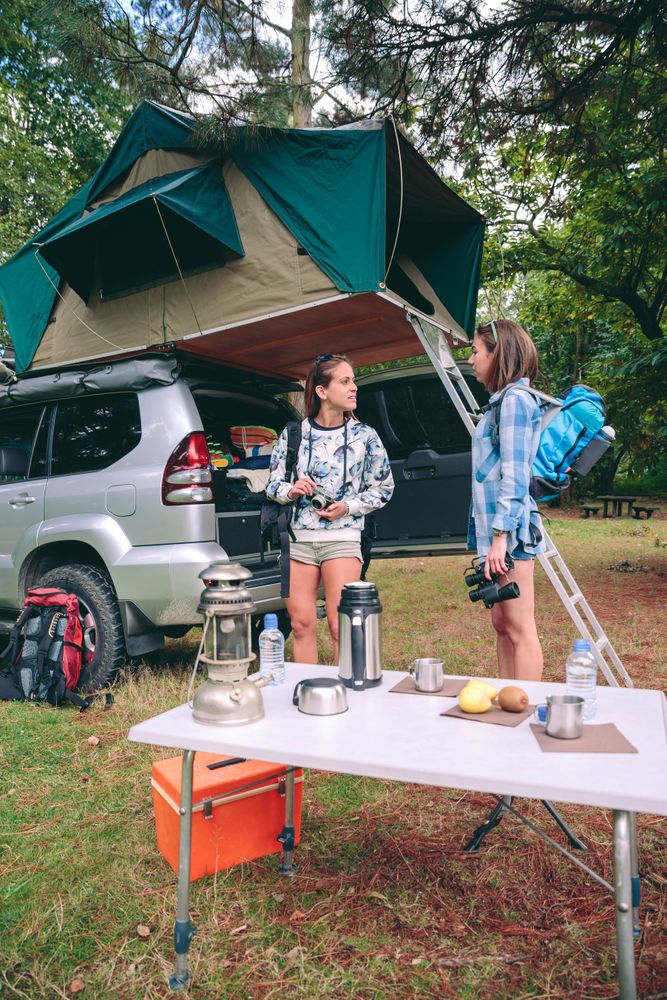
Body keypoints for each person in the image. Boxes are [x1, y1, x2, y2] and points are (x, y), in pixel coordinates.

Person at [266, 353, 394, 665]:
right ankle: (307, 694)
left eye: (354, 381)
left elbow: (384, 488)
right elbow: (272, 486)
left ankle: (346, 696)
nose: (354, 388)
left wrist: (347, 507)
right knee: (301, 625)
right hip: (299, 542)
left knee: (341, 625)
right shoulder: (294, 434)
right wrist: (292, 490)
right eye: (345, 381)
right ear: (322, 391)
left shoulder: (366, 436)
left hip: (343, 537)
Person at [468, 319, 545, 681]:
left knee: (519, 625)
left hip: (509, 534)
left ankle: (527, 710)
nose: (470, 359)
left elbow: (515, 475)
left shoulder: (515, 401)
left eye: (475, 351)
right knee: (502, 621)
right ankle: (507, 698)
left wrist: (501, 538)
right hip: (497, 533)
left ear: (497, 353)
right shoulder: (499, 403)